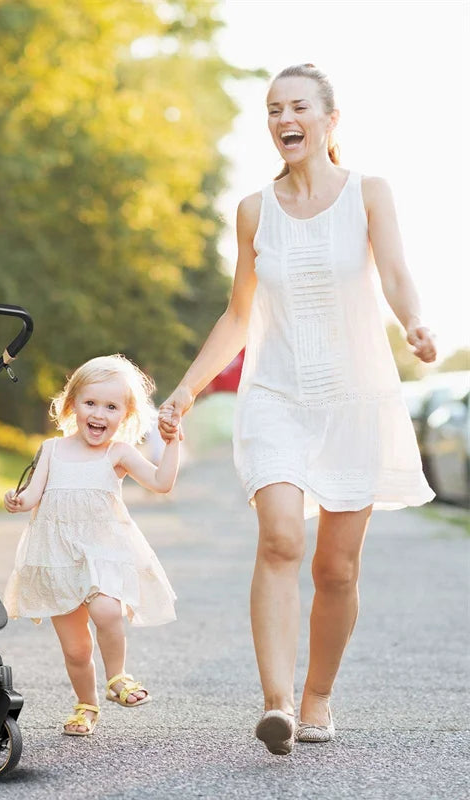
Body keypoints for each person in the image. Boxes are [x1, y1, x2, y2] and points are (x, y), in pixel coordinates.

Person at [158, 63, 436, 756]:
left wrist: (416, 323)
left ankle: (318, 696)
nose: (286, 117)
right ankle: (277, 701)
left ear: (330, 120)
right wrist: (187, 389)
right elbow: (238, 314)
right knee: (281, 537)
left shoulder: (369, 193)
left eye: (299, 106)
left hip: (354, 398)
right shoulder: (254, 209)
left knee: (335, 570)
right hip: (277, 394)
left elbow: (397, 274)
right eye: (274, 108)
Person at [3, 354, 180, 736]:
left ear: (126, 414)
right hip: (58, 561)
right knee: (76, 650)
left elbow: (161, 483)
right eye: (90, 403)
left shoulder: (118, 453)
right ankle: (86, 705)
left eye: (111, 406)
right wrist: (15, 501)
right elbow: (32, 496)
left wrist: (172, 443)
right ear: (72, 405)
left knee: (107, 611)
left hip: (102, 554)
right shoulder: (51, 449)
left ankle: (117, 678)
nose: (99, 414)